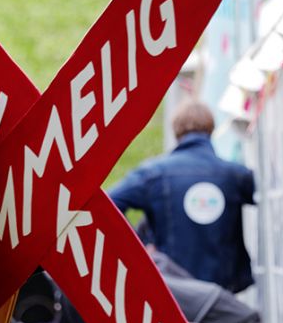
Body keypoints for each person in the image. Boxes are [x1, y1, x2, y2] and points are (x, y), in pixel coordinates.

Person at [108, 100, 257, 293]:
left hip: (173, 290)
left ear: (176, 131)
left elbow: (110, 204)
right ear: (211, 129)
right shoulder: (235, 175)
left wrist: (138, 251)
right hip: (222, 293)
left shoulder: (152, 174)